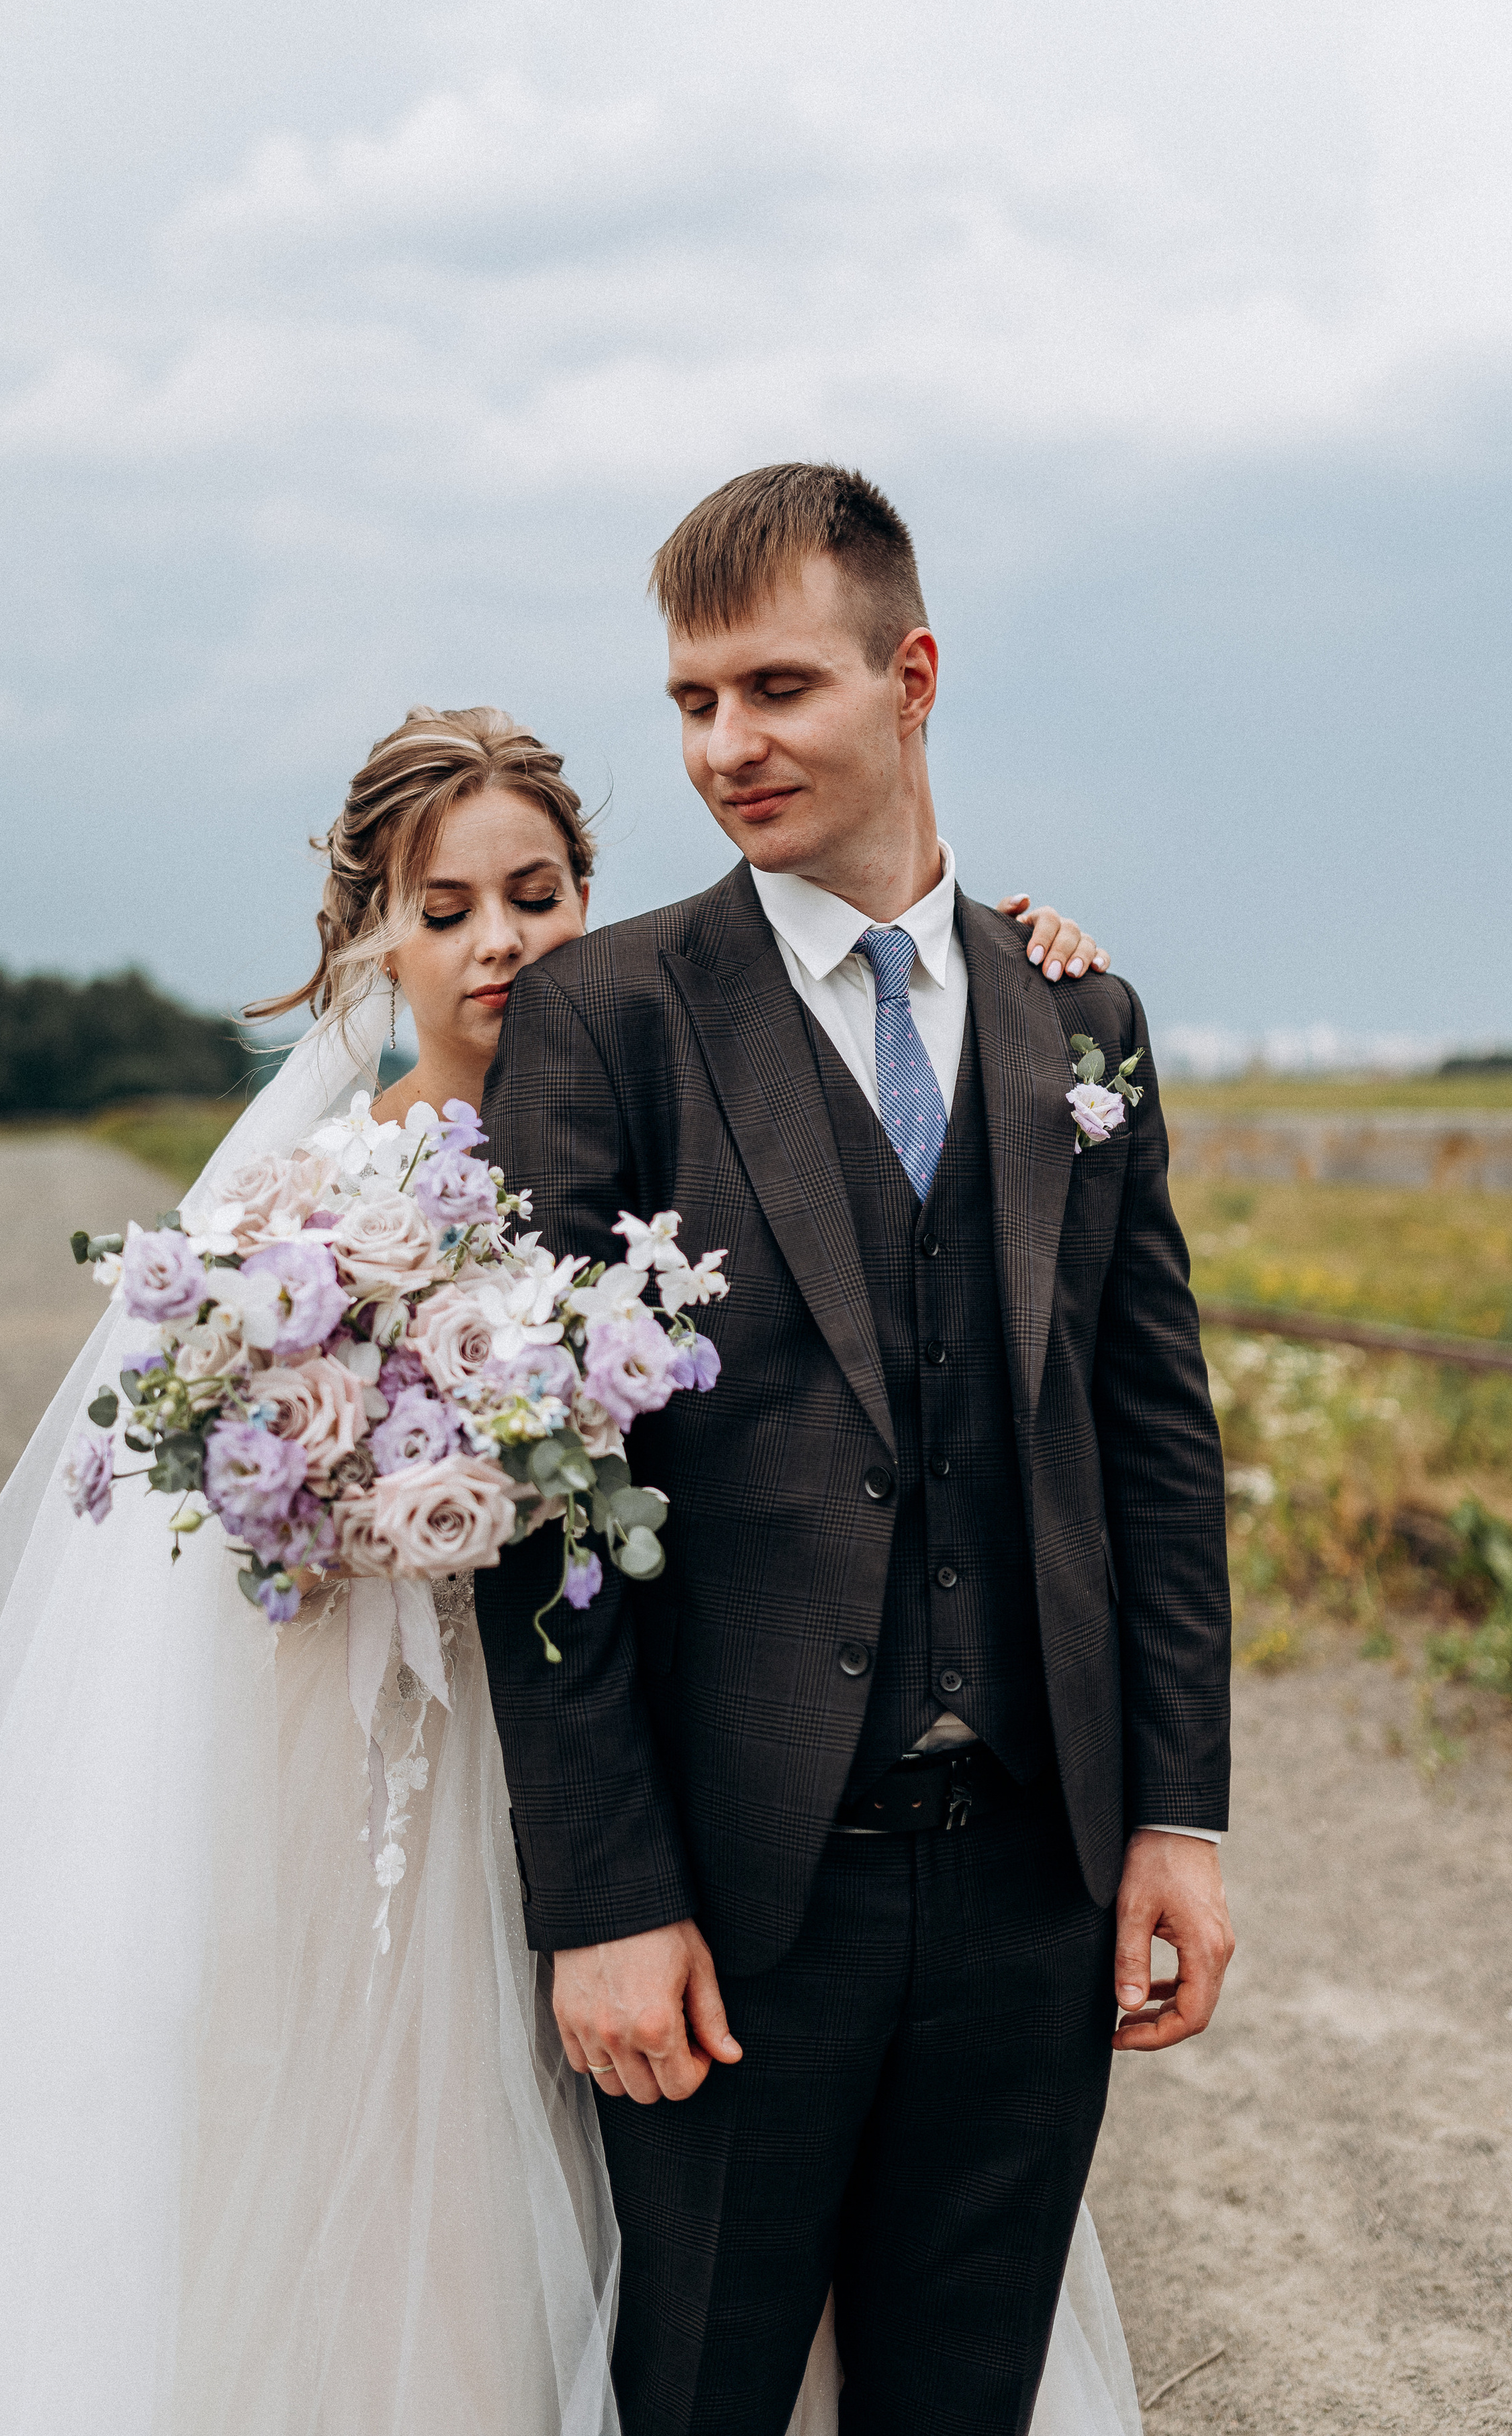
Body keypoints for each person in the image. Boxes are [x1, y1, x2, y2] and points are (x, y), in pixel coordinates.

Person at [0, 685, 1141, 2436]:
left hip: (681, 1784)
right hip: (409, 1801)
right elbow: (233, 1557)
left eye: (537, 895)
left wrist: (1009, 957)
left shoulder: (684, 1130)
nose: (497, 944)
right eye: (442, 910)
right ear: (369, 933)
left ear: (593, 898)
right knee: (429, 2226)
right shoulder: (307, 1212)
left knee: (721, 2243)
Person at [474, 464, 1236, 2436]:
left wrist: (1179, 1819)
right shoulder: (607, 1017)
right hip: (731, 1907)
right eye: (693, 702)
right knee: (703, 2399)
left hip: (1034, 1888)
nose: (728, 746)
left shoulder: (1082, 1020)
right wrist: (606, 1899)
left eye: (778, 689)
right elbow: (539, 1506)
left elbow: (1151, 1444)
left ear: (911, 677)